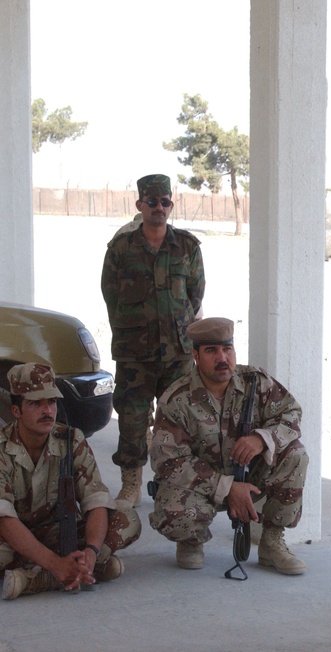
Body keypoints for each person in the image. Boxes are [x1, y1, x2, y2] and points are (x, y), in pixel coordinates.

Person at [148, 317, 309, 575]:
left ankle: (271, 541)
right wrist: (227, 487)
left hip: (252, 476)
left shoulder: (255, 382)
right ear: (196, 356)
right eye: (211, 351)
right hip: (202, 486)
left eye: (227, 349)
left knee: (295, 453)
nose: (222, 358)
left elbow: (291, 414)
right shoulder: (177, 399)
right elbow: (168, 462)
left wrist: (262, 439)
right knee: (175, 514)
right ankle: (191, 540)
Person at [101, 173, 205, 507]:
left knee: (177, 422)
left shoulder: (187, 247)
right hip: (135, 354)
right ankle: (131, 484)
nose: (158, 208)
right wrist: (131, 329)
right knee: (132, 421)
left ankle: (174, 483)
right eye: (152, 202)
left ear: (170, 205)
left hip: (177, 353)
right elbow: (110, 294)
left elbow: (195, 294)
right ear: (140, 205)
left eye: (164, 202)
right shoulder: (121, 248)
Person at [0, 363, 141, 600]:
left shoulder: (71, 439)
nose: (47, 410)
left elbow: (96, 501)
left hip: (60, 531)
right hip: (13, 536)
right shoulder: (2, 449)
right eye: (36, 403)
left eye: (52, 401)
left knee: (128, 519)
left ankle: (41, 578)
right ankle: (81, 571)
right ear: (16, 411)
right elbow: (4, 521)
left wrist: (91, 552)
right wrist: (55, 563)